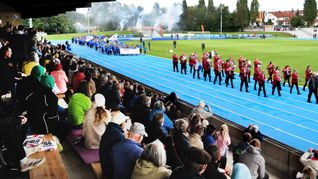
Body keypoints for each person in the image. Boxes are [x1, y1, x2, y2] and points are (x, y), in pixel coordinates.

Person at [99, 111, 129, 178]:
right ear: (120, 123)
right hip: (110, 171)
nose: (125, 123)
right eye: (125, 121)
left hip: (105, 165)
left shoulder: (110, 129)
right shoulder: (118, 135)